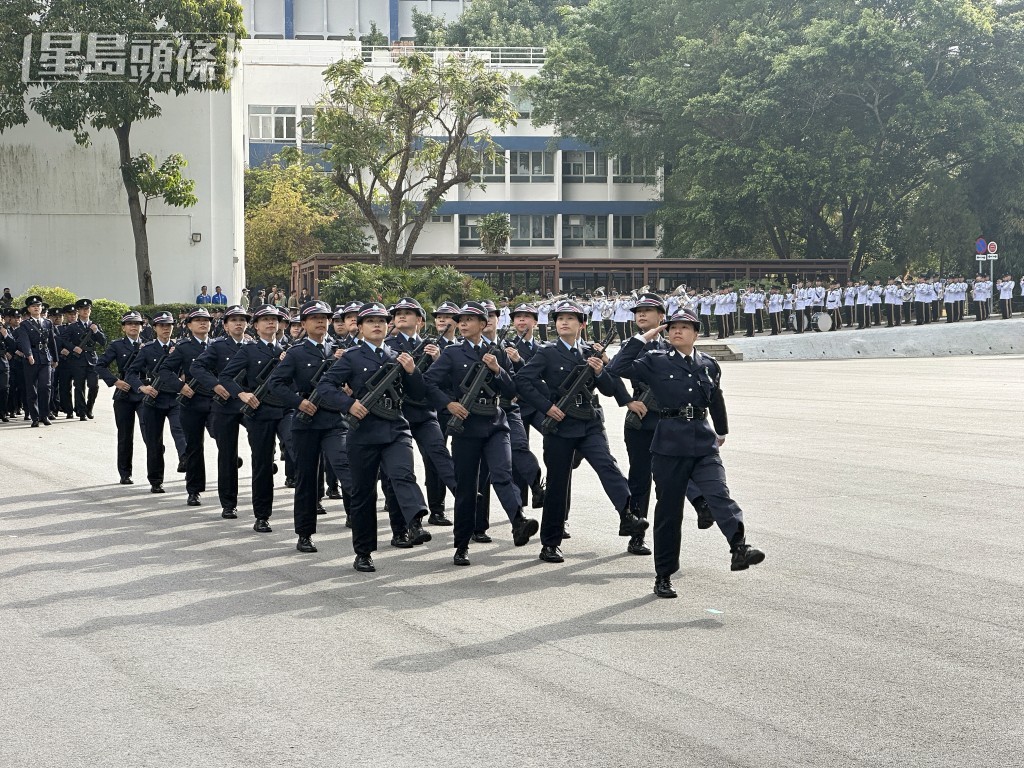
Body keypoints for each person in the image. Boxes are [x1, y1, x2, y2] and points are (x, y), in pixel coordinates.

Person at [609, 308, 765, 598]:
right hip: (669, 443)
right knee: (669, 513)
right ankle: (664, 575)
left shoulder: (708, 364)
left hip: (703, 441)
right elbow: (616, 368)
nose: (677, 331)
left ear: (696, 332)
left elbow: (716, 397)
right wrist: (645, 336)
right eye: (673, 327)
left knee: (718, 494)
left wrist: (721, 430)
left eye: (685, 327)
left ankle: (739, 547)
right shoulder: (654, 361)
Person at [514, 299, 646, 564]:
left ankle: (628, 514)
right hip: (561, 425)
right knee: (557, 485)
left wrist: (603, 372)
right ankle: (550, 544)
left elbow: (609, 387)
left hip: (589, 423)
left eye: (570, 318)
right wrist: (547, 407)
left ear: (582, 325)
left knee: (607, 465)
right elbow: (523, 380)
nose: (564, 322)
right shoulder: (547, 352)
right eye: (560, 318)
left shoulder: (590, 353)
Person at [317, 302, 437, 572]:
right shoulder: (351, 357)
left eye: (382, 321)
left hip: (396, 427)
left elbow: (418, 394)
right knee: (363, 495)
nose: (377, 325)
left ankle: (414, 522)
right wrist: (348, 404)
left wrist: (412, 371)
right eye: (370, 321)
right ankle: (363, 552)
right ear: (359, 328)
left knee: (403, 474)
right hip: (364, 433)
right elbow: (325, 386)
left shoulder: (399, 356)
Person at [424, 301, 540, 567]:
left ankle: (518, 520)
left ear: (483, 324)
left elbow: (512, 391)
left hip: (496, 423)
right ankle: (462, 545)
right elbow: (429, 382)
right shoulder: (452, 353)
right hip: (466, 428)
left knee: (502, 472)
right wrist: (448, 403)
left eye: (469, 319)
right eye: (460, 320)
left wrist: (498, 370)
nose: (462, 323)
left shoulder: (496, 352)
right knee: (467, 488)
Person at [264, 300, 350, 555]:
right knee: (307, 479)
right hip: (306, 423)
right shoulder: (296, 353)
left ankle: (357, 518)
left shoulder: (340, 350)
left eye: (324, 317)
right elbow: (276, 384)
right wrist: (299, 402)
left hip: (334, 420)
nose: (321, 321)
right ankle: (304, 533)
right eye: (314, 318)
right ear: (303, 324)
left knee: (345, 466)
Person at [384, 297, 456, 527]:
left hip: (425, 412)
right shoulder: (387, 345)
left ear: (420, 321)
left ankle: (439, 508)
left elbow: (447, 380)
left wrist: (437, 358)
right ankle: (403, 521)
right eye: (398, 313)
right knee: (397, 469)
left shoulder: (434, 346)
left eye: (408, 312)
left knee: (437, 456)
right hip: (398, 412)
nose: (401, 316)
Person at [191, 305, 251, 519]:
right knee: (227, 455)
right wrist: (216, 385)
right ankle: (228, 502)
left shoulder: (253, 345)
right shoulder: (218, 347)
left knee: (262, 449)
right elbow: (197, 368)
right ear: (225, 325)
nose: (238, 323)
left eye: (242, 319)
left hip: (249, 403)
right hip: (225, 405)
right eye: (233, 320)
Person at [158, 308, 216, 506]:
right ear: (189, 325)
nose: (203, 323)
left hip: (217, 401)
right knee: (194, 447)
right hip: (193, 402)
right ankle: (194, 490)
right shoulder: (183, 348)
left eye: (206, 320)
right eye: (197, 320)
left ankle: (227, 490)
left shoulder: (217, 346)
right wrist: (180, 386)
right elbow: (164, 370)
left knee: (225, 441)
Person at [127, 311, 178, 493]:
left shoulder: (179, 347)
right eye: (162, 326)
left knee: (181, 432)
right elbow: (131, 373)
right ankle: (156, 480)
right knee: (154, 442)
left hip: (175, 398)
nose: (166, 329)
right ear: (155, 328)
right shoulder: (147, 349)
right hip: (154, 399)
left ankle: (187, 463)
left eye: (169, 325)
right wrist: (142, 388)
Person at [97, 311, 147, 484]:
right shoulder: (117, 346)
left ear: (142, 326)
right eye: (130, 323)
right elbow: (100, 365)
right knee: (125, 435)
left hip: (143, 393)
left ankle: (155, 470)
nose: (134, 326)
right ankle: (125, 473)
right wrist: (115, 381)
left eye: (137, 323)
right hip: (124, 394)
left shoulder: (148, 345)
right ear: (124, 327)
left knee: (149, 431)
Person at [15, 295, 58, 427]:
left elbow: (52, 341)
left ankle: (44, 415)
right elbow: (24, 341)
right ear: (29, 309)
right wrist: (28, 355)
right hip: (31, 358)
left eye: (38, 306)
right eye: (34, 306)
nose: (36, 308)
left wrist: (55, 358)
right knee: (31, 388)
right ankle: (35, 417)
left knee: (45, 387)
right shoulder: (24, 325)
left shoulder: (47, 323)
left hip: (45, 357)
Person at [62, 298, 106, 420]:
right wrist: (73, 348)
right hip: (78, 360)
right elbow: (63, 340)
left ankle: (89, 408)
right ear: (78, 311)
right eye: (83, 309)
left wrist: (96, 331)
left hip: (92, 359)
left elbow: (103, 341)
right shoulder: (73, 327)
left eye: (88, 309)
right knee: (79, 386)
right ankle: (81, 412)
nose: (86, 311)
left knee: (94, 385)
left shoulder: (95, 326)